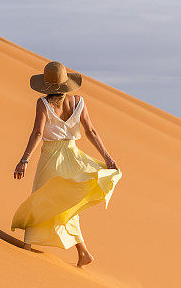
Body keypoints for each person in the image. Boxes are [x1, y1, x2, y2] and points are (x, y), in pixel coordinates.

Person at [11, 61, 122, 267]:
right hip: (73, 156)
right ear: (66, 84)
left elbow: (37, 133)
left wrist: (24, 159)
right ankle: (83, 252)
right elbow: (91, 132)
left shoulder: (42, 104)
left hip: (51, 156)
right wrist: (108, 157)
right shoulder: (78, 101)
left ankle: (26, 247)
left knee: (41, 198)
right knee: (66, 204)